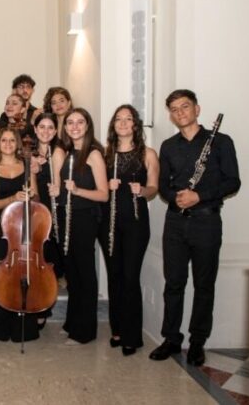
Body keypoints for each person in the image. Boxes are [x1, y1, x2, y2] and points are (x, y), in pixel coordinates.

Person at [149, 89, 240, 366]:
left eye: (185, 106)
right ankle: (171, 338)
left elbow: (233, 181)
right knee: (173, 283)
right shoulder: (168, 146)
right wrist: (175, 197)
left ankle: (198, 341)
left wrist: (199, 196)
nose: (180, 112)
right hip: (176, 222)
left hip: (206, 221)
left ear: (197, 109)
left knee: (204, 284)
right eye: (174, 109)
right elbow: (163, 185)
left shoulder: (221, 142)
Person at [99, 105, 159, 356]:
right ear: (113, 125)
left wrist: (142, 190)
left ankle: (132, 336)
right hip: (108, 223)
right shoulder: (105, 154)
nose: (123, 123)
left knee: (130, 277)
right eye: (118, 119)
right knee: (114, 276)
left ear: (135, 124)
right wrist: (107, 185)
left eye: (128, 119)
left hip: (135, 222)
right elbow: (96, 187)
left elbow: (154, 188)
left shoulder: (148, 154)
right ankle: (117, 330)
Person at [50, 108, 108, 345]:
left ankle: (85, 331)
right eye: (70, 123)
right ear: (65, 127)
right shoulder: (68, 152)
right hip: (68, 216)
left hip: (85, 217)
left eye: (80, 122)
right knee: (72, 272)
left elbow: (103, 194)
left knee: (84, 272)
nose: (74, 126)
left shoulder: (93, 154)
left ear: (87, 126)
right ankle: (72, 323)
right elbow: (64, 188)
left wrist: (77, 190)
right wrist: (57, 190)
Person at [0, 127, 41, 343]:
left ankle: (23, 328)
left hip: (23, 229)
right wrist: (13, 199)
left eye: (11, 140)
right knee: (2, 276)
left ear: (17, 143)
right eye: (4, 140)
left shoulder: (27, 166)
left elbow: (37, 198)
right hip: (1, 230)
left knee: (23, 275)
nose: (8, 144)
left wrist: (31, 195)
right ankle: (0, 326)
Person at [30, 113, 65, 324]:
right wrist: (32, 171)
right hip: (37, 213)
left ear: (55, 131)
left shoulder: (58, 152)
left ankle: (45, 307)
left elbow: (59, 188)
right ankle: (37, 305)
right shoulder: (29, 153)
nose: (45, 131)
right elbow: (32, 191)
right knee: (37, 263)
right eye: (41, 127)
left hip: (55, 214)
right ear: (35, 129)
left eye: (50, 127)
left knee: (50, 263)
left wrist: (41, 169)